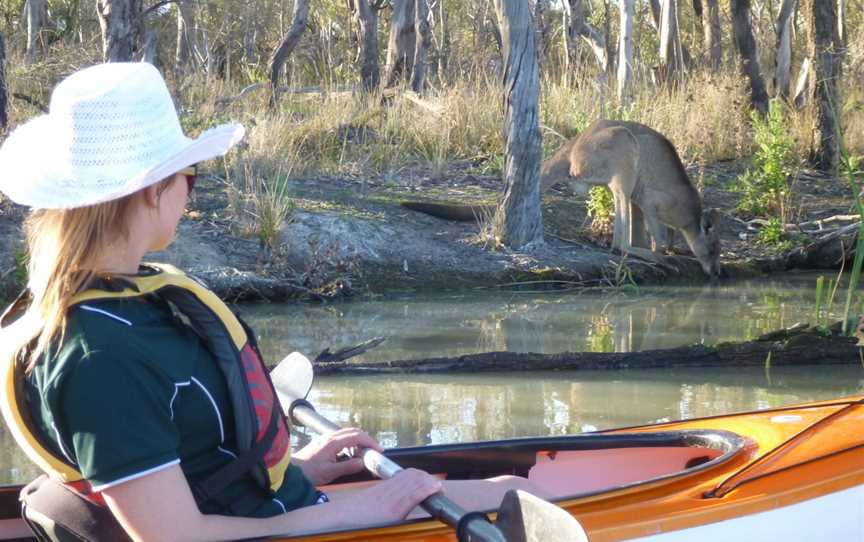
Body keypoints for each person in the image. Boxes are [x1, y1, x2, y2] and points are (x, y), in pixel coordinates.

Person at [0, 62, 544, 541]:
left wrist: (293, 466)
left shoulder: (124, 299)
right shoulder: (99, 355)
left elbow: (187, 463)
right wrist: (365, 510)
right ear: (151, 189)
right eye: (191, 174)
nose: (191, 190)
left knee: (501, 487)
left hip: (268, 505)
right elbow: (174, 536)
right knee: (507, 495)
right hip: (274, 527)